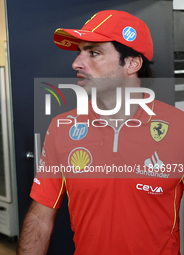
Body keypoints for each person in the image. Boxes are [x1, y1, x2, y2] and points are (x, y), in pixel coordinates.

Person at [18, 10, 184, 255]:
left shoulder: (178, 127)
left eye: (94, 52)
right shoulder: (62, 127)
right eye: (79, 52)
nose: (76, 63)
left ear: (132, 63)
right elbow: (41, 216)